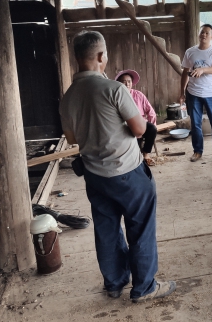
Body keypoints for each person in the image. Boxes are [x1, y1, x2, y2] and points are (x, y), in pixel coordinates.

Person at [59, 31, 175, 303]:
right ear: (101, 56)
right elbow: (139, 129)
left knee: (106, 230)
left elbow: (72, 139)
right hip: (128, 173)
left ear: (77, 57)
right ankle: (144, 288)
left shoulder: (68, 97)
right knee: (141, 228)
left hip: (95, 176)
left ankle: (114, 283)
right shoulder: (114, 89)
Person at [180, 24, 212, 162]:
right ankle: (197, 151)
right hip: (193, 92)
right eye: (202, 32)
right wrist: (182, 92)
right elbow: (185, 72)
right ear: (198, 34)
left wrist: (203, 70)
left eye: (207, 33)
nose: (204, 35)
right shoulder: (190, 52)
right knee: (195, 124)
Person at [115, 70, 158, 167]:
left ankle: (146, 154)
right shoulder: (117, 97)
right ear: (119, 83)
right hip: (125, 127)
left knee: (152, 129)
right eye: (123, 81)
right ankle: (135, 160)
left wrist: (152, 124)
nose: (127, 84)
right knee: (134, 152)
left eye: (129, 81)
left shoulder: (139, 95)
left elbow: (151, 112)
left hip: (140, 125)